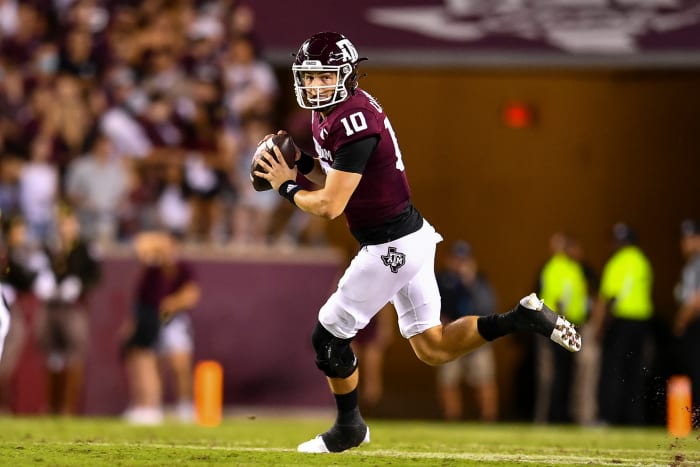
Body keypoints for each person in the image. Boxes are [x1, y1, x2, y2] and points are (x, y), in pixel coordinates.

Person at [253, 31, 581, 453]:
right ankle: (520, 318)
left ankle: (349, 427)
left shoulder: (352, 120)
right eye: (309, 77)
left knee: (328, 337)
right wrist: (299, 163)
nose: (315, 85)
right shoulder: (329, 115)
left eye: (323, 76)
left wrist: (284, 187)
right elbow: (332, 177)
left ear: (347, 75)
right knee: (434, 347)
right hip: (409, 236)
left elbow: (331, 205)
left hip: (390, 246)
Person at [122, 230, 200, 424]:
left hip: (173, 320)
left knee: (179, 364)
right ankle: (151, 406)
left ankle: (185, 406)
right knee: (150, 363)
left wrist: (172, 303)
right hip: (151, 319)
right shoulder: (153, 268)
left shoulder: (182, 267)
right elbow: (140, 246)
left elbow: (192, 294)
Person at [36, 208, 101, 415]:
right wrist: (41, 281)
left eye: (69, 223)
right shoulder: (49, 247)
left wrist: (79, 284)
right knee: (52, 353)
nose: (65, 228)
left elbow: (96, 276)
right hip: (51, 306)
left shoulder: (84, 248)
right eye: (62, 223)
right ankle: (53, 406)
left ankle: (67, 407)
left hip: (73, 307)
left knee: (74, 352)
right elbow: (37, 270)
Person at [590, 222, 653, 425]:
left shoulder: (617, 262)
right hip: (641, 323)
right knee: (635, 371)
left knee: (612, 370)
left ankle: (608, 416)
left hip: (621, 323)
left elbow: (606, 298)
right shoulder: (643, 262)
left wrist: (598, 328)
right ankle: (633, 418)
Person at [435, 240, 499, 422]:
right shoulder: (441, 280)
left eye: (463, 259)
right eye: (456, 259)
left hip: (476, 337)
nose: (459, 263)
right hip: (450, 337)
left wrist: (470, 283)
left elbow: (488, 306)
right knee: (448, 379)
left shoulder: (480, 281)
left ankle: (488, 417)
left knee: (484, 378)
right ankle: (452, 417)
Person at [535, 232, 588, 424]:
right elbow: (560, 299)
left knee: (558, 373)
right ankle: (557, 415)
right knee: (560, 373)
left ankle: (557, 415)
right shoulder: (565, 268)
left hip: (559, 325)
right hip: (562, 325)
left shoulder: (557, 268)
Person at [673, 219, 700, 413]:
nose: (685, 243)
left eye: (690, 238)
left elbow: (697, 299)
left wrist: (681, 321)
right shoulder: (691, 265)